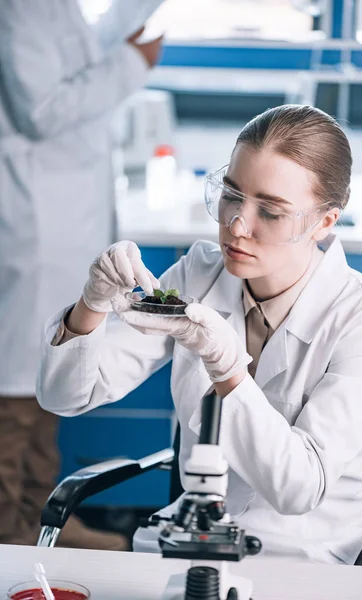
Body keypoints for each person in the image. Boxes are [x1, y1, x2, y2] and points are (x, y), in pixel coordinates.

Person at [37, 105, 362, 564]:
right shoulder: (200, 274)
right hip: (192, 543)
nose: (236, 225)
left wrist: (228, 370)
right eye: (232, 195)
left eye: (270, 211)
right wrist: (91, 304)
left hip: (307, 560)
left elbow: (298, 488)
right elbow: (64, 395)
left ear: (324, 223)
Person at [0, 0, 163, 549]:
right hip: (33, 230)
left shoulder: (54, 7)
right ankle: (11, 533)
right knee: (18, 392)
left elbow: (90, 48)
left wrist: (131, 38)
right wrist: (132, 64)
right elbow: (42, 110)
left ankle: (34, 523)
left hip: (62, 224)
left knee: (46, 383)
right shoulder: (18, 10)